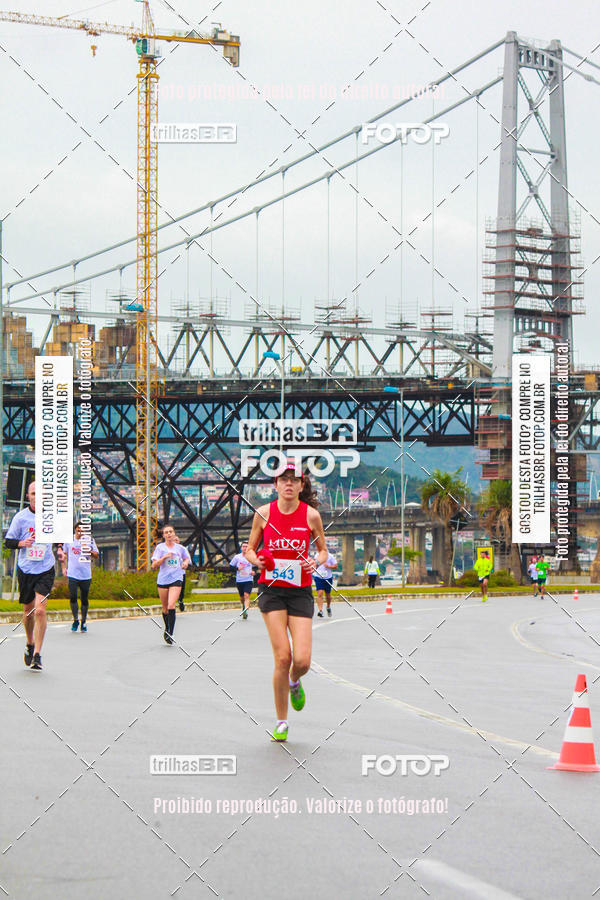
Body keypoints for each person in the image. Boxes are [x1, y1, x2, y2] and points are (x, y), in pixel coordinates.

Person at [245, 463, 328, 742]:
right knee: (283, 657)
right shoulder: (263, 513)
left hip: (300, 591)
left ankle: (295, 680)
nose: (289, 484)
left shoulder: (311, 516)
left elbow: (323, 551)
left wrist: (315, 562)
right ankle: (281, 722)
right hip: (271, 591)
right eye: (284, 479)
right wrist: (257, 560)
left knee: (301, 661)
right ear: (276, 484)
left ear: (302, 486)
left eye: (294, 480)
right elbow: (250, 549)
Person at [4, 481, 55, 671]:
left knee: (40, 610)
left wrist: (60, 550)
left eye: (40, 493)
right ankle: (29, 642)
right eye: (33, 493)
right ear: (28, 496)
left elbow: (61, 536)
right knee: (28, 612)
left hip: (45, 568)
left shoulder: (52, 517)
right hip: (26, 569)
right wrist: (21, 543)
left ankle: (37, 655)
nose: (37, 497)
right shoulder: (20, 518)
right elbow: (8, 541)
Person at [151, 525, 191, 644]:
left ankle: (170, 633)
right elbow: (154, 565)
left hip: (176, 578)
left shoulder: (180, 548)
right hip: (163, 579)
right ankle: (167, 628)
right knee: (165, 608)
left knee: (171, 605)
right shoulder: (160, 548)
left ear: (174, 534)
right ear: (163, 535)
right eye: (166, 532)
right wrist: (164, 558)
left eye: (171, 532)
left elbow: (186, 559)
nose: (169, 534)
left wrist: (185, 563)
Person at [58, 522, 99, 632]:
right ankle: (76, 620)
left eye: (82, 530)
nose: (80, 532)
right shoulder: (69, 540)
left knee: (84, 599)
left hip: (85, 575)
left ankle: (83, 622)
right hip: (73, 574)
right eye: (78, 530)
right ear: (75, 530)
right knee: (73, 597)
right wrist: (63, 568)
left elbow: (96, 555)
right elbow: (63, 555)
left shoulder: (90, 540)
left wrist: (88, 550)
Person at [229, 541, 254, 619]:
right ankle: (243, 606)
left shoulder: (251, 557)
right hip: (240, 580)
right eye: (243, 546)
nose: (245, 548)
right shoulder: (237, 557)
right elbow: (231, 566)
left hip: (249, 579)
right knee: (242, 597)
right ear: (241, 548)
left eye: (246, 546)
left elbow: (256, 566)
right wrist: (237, 568)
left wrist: (254, 572)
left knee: (247, 595)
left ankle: (245, 611)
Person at [314, 551, 337, 617]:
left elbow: (335, 566)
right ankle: (320, 611)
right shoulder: (317, 555)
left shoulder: (330, 556)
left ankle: (328, 607)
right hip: (318, 577)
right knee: (320, 593)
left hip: (328, 577)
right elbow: (315, 565)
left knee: (328, 594)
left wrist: (329, 566)